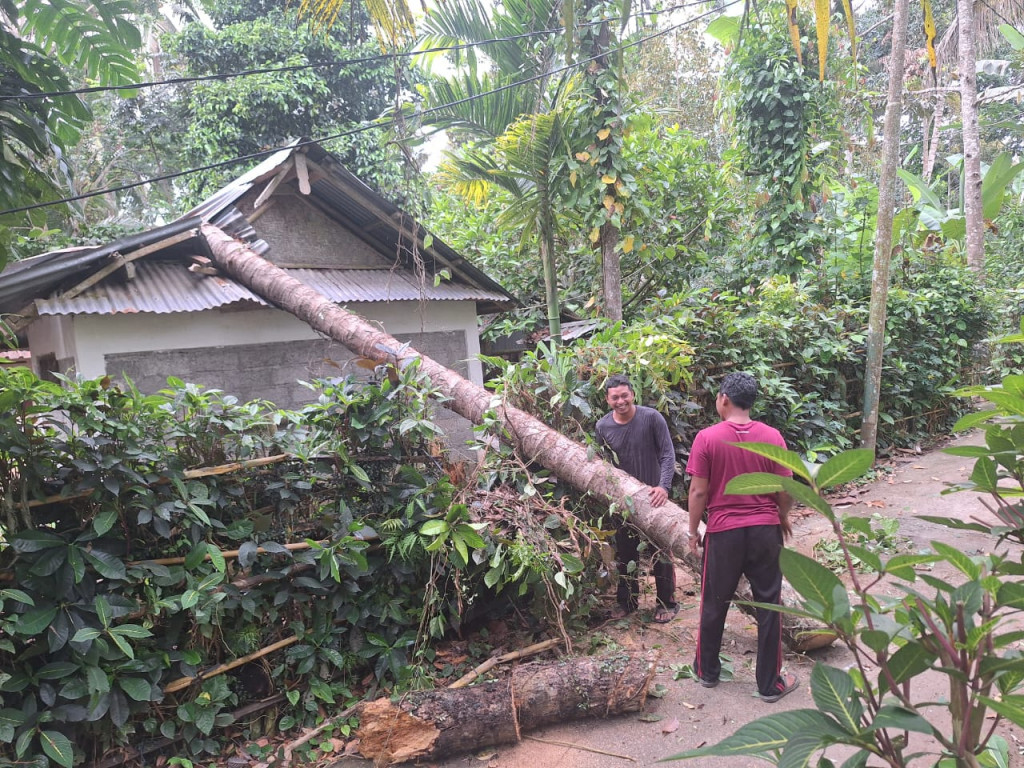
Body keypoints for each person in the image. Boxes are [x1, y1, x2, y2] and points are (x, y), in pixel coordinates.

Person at [685, 372, 798, 703]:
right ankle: (769, 684)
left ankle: (707, 671)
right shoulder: (773, 437)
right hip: (765, 531)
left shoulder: (707, 438)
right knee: (768, 604)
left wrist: (693, 531)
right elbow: (786, 487)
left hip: (724, 533)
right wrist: (782, 516)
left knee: (713, 602)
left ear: (723, 399)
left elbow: (698, 490)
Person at [595, 374, 678, 623]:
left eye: (624, 395)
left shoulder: (652, 417)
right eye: (615, 397)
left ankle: (667, 604)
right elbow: (602, 466)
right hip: (623, 503)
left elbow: (667, 454)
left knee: (660, 555)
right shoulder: (602, 427)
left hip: (654, 499)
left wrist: (663, 487)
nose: (621, 401)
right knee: (626, 554)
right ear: (607, 399)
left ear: (632, 394)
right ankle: (627, 602)